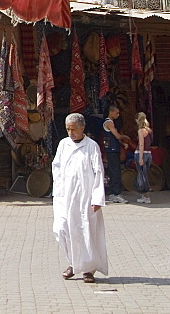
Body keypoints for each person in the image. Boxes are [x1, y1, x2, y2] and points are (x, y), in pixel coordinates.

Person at [52, 113, 108, 284]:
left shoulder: (91, 146)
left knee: (86, 231)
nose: (70, 133)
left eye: (74, 129)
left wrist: (97, 198)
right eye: (68, 129)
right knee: (62, 228)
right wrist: (58, 191)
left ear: (82, 128)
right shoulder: (63, 144)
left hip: (86, 196)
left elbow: (98, 171)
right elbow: (57, 167)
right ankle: (73, 263)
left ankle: (88, 269)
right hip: (64, 196)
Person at [102, 105, 128, 204]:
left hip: (114, 148)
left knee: (116, 170)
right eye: (116, 113)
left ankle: (115, 193)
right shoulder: (109, 122)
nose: (118, 115)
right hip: (111, 149)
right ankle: (115, 194)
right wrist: (124, 137)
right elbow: (117, 135)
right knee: (115, 171)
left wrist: (122, 143)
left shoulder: (111, 122)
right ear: (111, 112)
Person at [134, 112, 153, 204]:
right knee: (145, 175)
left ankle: (146, 196)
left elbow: (141, 144)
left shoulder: (141, 131)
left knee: (142, 175)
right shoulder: (149, 131)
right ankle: (145, 196)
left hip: (141, 153)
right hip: (149, 154)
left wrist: (140, 158)